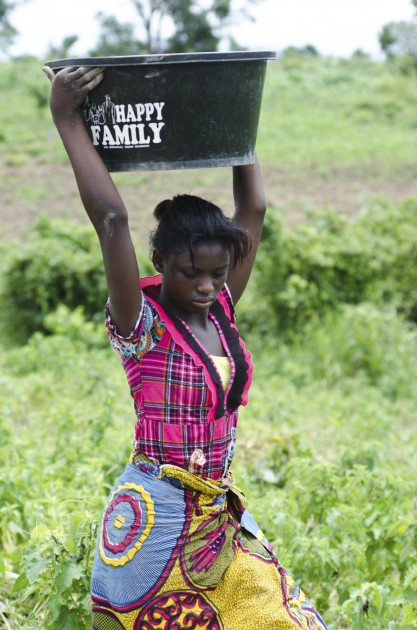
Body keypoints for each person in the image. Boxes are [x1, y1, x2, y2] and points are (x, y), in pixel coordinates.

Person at [43, 64, 327, 630]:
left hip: (215, 515)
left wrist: (238, 119)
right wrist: (66, 115)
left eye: (217, 273)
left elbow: (254, 212)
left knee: (283, 618)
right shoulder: (141, 324)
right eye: (190, 273)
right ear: (160, 266)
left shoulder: (218, 310)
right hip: (155, 517)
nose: (205, 286)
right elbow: (111, 219)